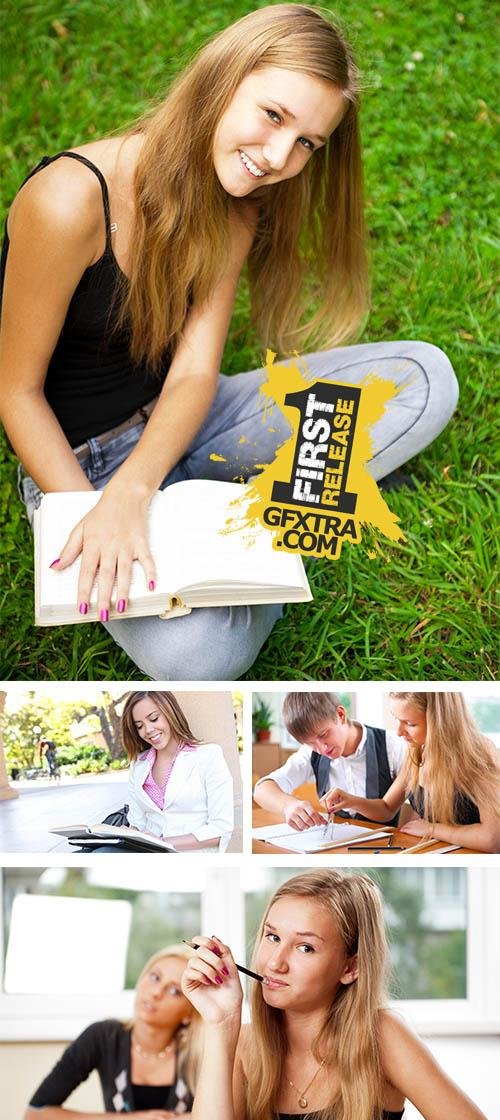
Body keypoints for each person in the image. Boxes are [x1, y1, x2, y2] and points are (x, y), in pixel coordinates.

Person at [0, 5, 458, 681]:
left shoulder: (237, 203)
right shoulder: (68, 200)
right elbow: (16, 392)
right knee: (201, 659)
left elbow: (193, 375)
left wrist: (145, 482)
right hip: (81, 465)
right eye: (273, 115)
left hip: (189, 422)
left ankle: (232, 523)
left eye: (307, 143)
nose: (279, 158)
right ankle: (279, 515)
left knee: (426, 377)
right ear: (221, 80)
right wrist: (106, 511)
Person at [181, 871, 500, 1120]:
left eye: (305, 947)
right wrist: (221, 1025)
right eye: (273, 937)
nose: (275, 962)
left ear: (351, 967)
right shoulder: (244, 1043)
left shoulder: (383, 1037)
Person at [24, 944, 203, 1120]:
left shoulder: (202, 1050)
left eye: (174, 991)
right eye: (155, 977)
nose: (156, 992)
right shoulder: (103, 1037)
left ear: (189, 1013)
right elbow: (36, 1115)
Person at [325, 692, 500, 853]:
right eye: (397, 720)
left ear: (439, 721)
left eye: (410, 724)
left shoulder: (479, 753)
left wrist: (432, 829)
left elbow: (492, 838)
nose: (400, 732)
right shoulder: (417, 750)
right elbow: (387, 809)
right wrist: (350, 801)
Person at [253, 691, 405, 829]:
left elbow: (388, 810)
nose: (321, 749)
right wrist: (288, 805)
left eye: (323, 734)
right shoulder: (311, 753)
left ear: (340, 715)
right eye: (310, 743)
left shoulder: (393, 745)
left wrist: (353, 801)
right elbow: (261, 790)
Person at [120, 691, 234, 851]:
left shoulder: (208, 756)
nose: (148, 730)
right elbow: (136, 823)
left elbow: (221, 830)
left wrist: (161, 842)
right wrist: (126, 835)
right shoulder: (139, 765)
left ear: (170, 712)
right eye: (139, 726)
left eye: (154, 719)